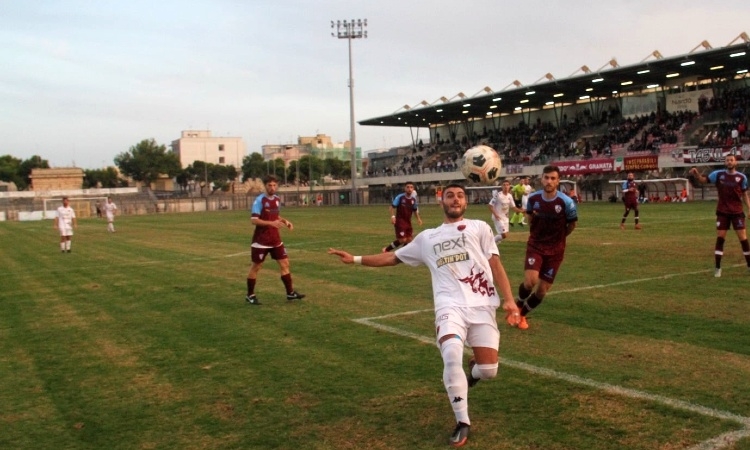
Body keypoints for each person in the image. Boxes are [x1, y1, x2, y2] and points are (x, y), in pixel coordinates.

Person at [328, 183, 520, 448]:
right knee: (451, 354)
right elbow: (394, 258)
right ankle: (462, 422)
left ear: (466, 202)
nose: (455, 200)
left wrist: (509, 300)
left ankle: (475, 370)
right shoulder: (428, 238)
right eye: (450, 196)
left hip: (482, 305)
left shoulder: (480, 228)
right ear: (441, 202)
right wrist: (356, 259)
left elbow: (495, 265)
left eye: (460, 196)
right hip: (449, 307)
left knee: (489, 371)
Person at [516, 165, 578, 330]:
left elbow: (572, 224)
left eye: (552, 178)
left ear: (558, 181)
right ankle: (518, 305)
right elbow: (529, 217)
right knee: (530, 282)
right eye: (546, 177)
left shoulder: (567, 202)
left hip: (556, 250)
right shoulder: (533, 199)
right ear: (541, 179)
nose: (549, 181)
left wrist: (559, 238)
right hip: (536, 246)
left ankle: (522, 315)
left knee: (542, 291)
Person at [245, 175, 305, 305]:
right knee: (256, 267)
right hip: (261, 241)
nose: (272, 187)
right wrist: (271, 224)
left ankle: (290, 293)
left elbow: (275, 215)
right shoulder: (259, 200)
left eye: (274, 185)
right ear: (265, 186)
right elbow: (254, 220)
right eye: (269, 185)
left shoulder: (277, 199)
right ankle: (250, 295)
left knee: (285, 264)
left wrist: (284, 220)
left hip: (275, 239)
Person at [689, 154, 750, 277]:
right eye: (727, 160)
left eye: (731, 160)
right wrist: (696, 174)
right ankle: (717, 267)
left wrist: (749, 208)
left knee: (743, 239)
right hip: (722, 212)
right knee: (720, 238)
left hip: (737, 212)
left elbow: (744, 194)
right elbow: (703, 180)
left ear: (735, 162)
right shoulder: (718, 174)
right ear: (725, 162)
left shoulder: (741, 177)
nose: (729, 162)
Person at [382, 181, 423, 252]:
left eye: (411, 187)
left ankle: (400, 253)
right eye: (408, 187)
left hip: (408, 222)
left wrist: (418, 219)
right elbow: (391, 207)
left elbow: (415, 210)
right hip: (400, 221)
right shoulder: (400, 197)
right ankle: (386, 249)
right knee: (402, 240)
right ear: (405, 188)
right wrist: (392, 216)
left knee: (409, 240)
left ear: (413, 189)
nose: (409, 189)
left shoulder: (413, 200)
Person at [487, 179, 523, 244]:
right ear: (502, 186)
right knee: (504, 235)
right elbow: (490, 205)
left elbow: (513, 207)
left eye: (507, 185)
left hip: (505, 218)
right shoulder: (498, 195)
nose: (506, 186)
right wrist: (495, 215)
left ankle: (494, 244)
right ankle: (490, 243)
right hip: (498, 217)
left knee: (504, 235)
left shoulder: (510, 196)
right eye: (504, 185)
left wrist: (521, 211)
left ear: (509, 186)